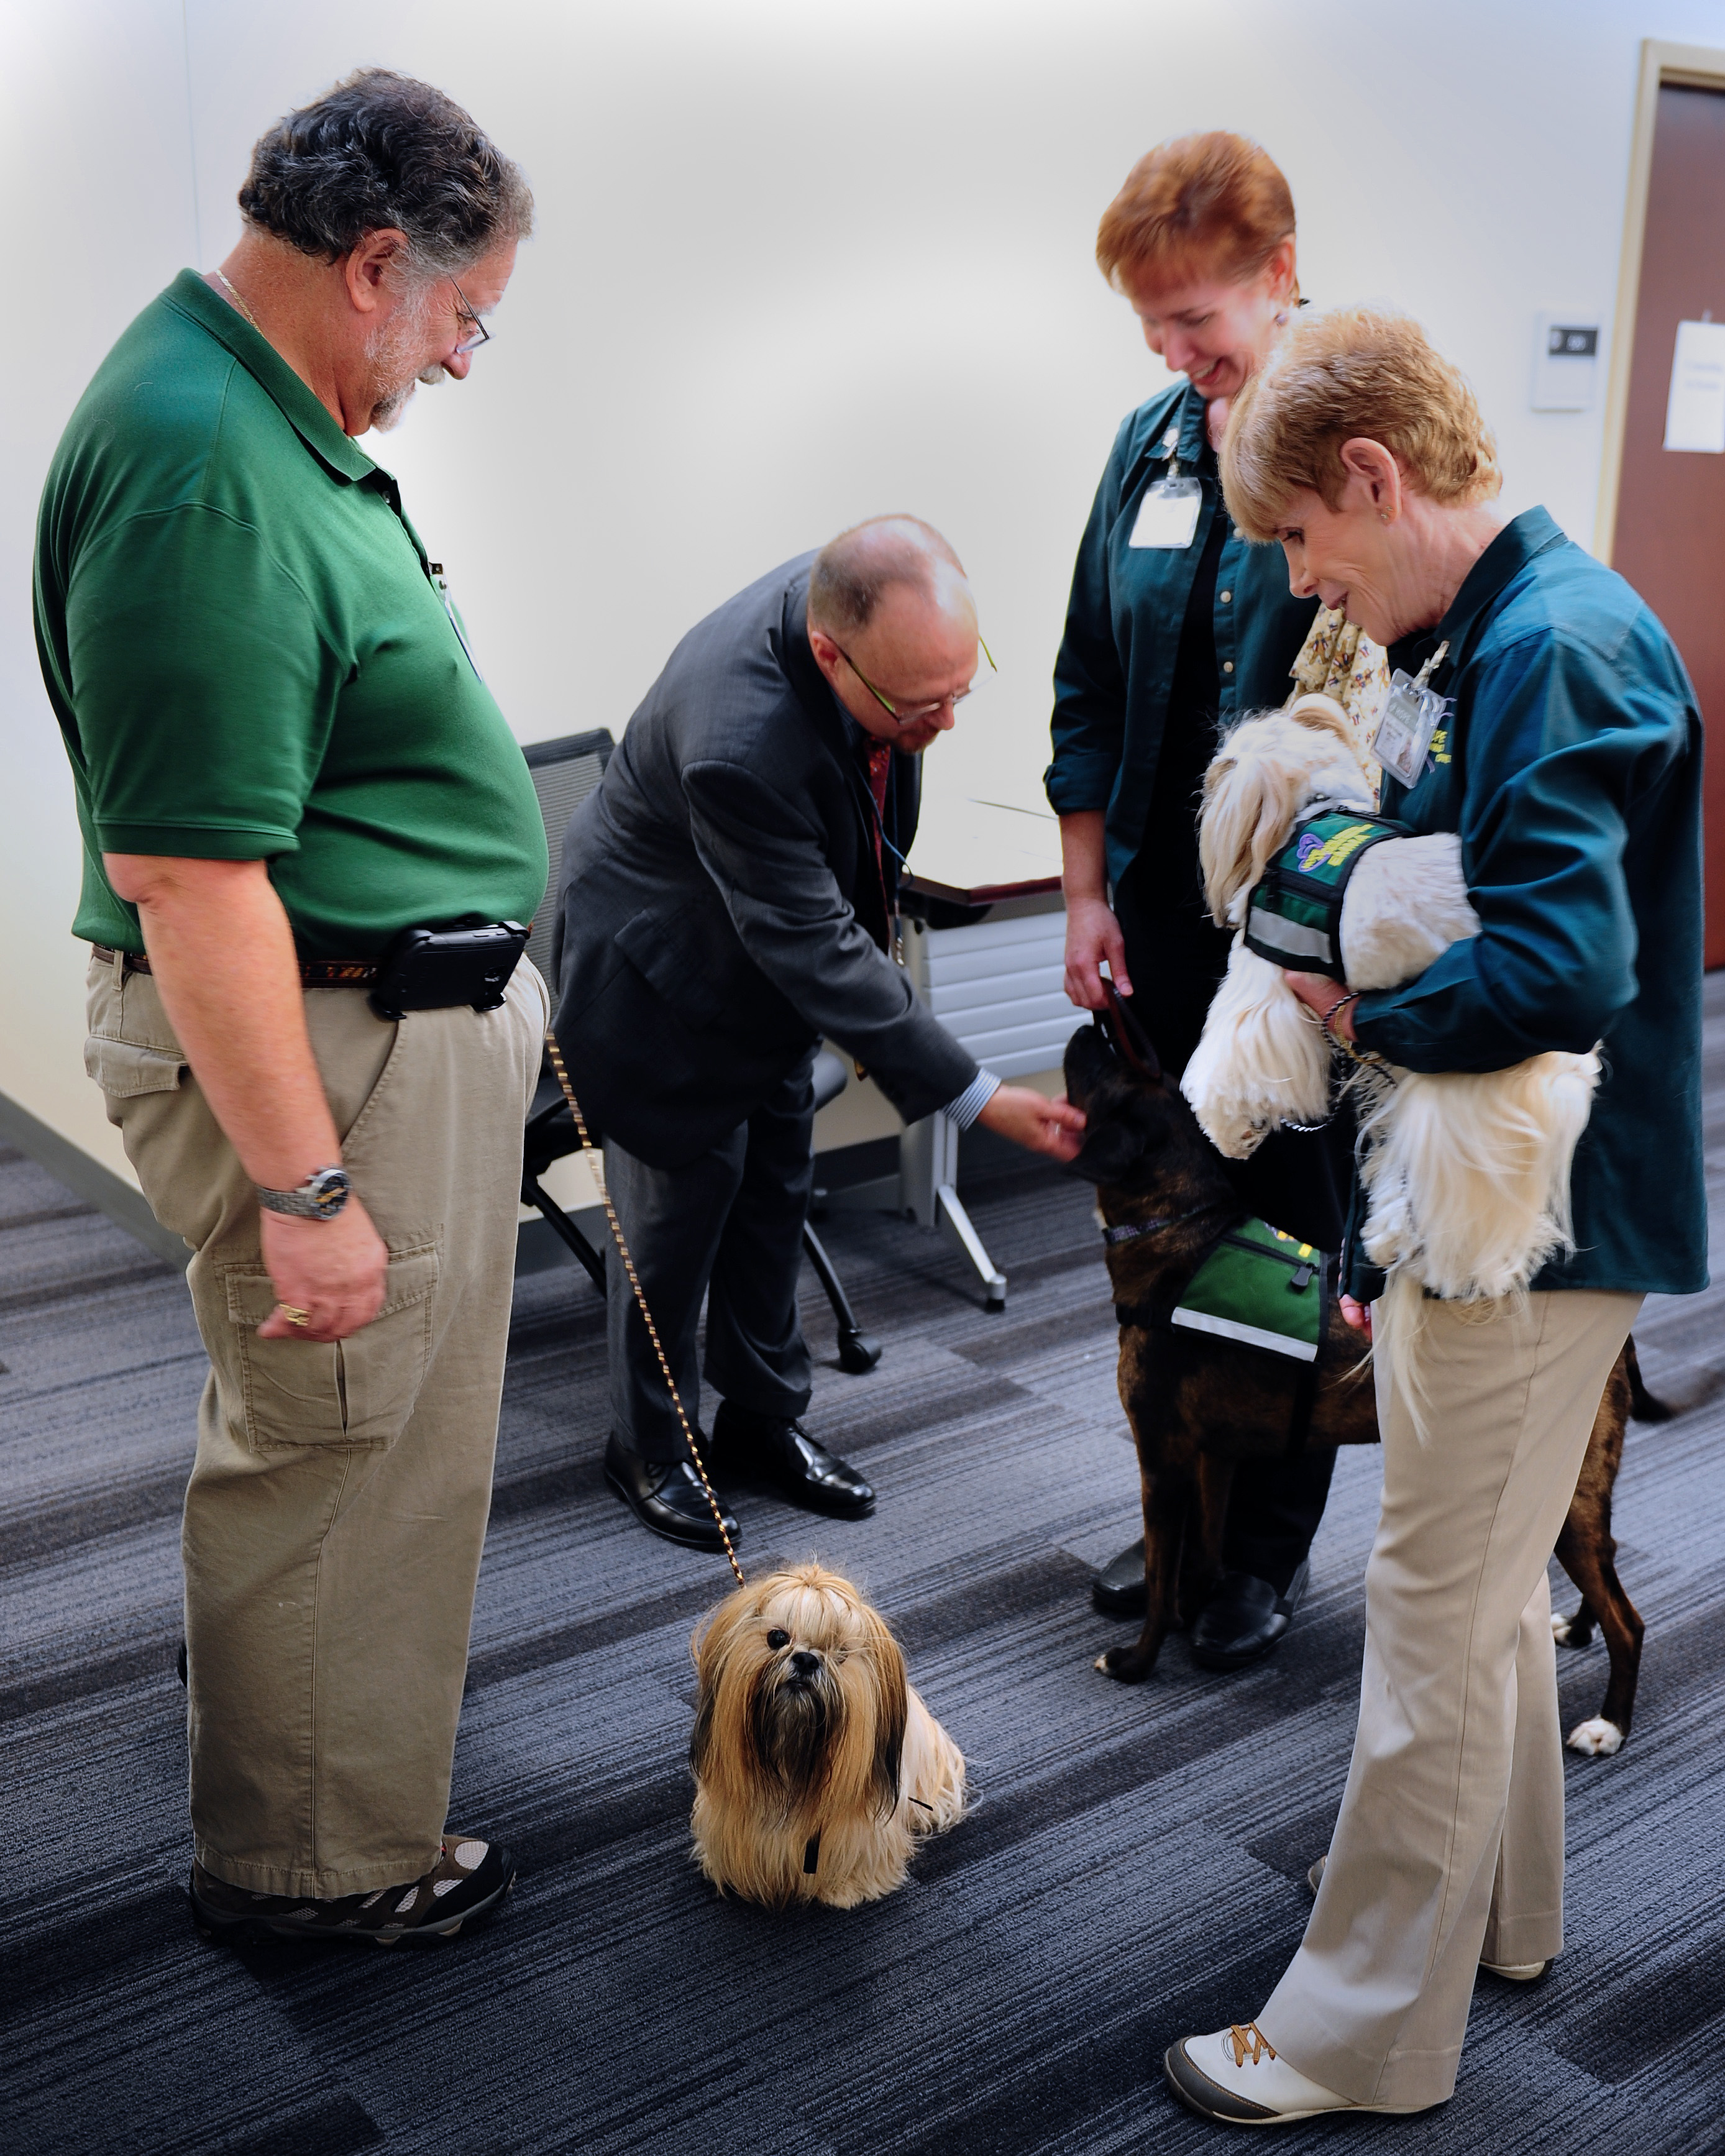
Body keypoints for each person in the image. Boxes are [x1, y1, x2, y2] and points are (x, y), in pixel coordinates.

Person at [1162, 306, 1706, 2125]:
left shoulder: (1553, 643)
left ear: (1375, 478)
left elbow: (1565, 962)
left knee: (1428, 1597)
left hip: (1536, 1222)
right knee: (1476, 1597)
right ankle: (1507, 1919)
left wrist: (1353, 1010)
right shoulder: (1501, 631)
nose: (1310, 585)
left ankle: (1356, 2029)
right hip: (1500, 1197)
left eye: (1308, 541)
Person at [35, 71, 549, 1947]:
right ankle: (311, 1866)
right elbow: (191, 875)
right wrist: (311, 1189)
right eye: (465, 315)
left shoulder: (253, 418)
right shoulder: (204, 464)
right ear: (375, 261)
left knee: (384, 1440)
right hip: (325, 1050)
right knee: (336, 1447)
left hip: (378, 1026)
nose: (466, 359)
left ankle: (339, 1795)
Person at [552, 518, 1085, 1552]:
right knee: (674, 1226)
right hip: (665, 978)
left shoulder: (868, 609)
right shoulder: (739, 743)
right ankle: (649, 1447)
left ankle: (761, 1422)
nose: (945, 723)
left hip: (768, 972)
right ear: (833, 653)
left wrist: (914, 715)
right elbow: (816, 946)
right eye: (920, 706)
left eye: (959, 692)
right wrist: (975, 1093)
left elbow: (837, 882)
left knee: (773, 1193)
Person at [1046, 133, 1355, 1667]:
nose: (1176, 354)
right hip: (1162, 921)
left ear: (1280, 277)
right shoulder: (1151, 449)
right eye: (1151, 326)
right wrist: (1084, 893)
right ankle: (1182, 1497)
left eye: (1197, 321)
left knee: (1286, 1226)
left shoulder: (1353, 440)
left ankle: (1265, 1541)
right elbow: (1087, 676)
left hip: (1295, 928)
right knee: (1172, 1225)